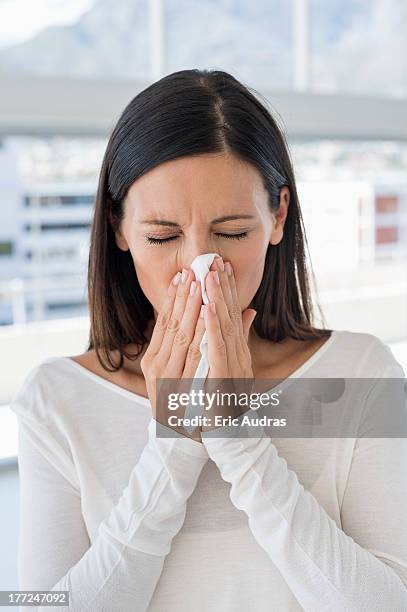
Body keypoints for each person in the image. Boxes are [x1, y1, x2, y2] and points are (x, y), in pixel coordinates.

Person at [10, 69, 407, 611]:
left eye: (233, 233)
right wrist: (173, 435)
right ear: (118, 228)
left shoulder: (359, 374)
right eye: (162, 236)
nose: (200, 269)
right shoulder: (57, 399)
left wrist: (237, 435)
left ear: (278, 215)